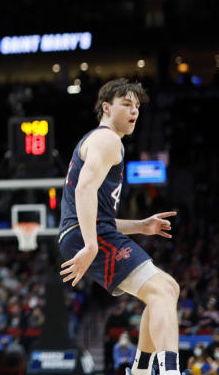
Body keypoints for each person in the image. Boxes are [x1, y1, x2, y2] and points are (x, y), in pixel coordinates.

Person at [58, 79, 186, 375]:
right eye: (126, 104)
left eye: (138, 107)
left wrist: (140, 225)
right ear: (106, 108)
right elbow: (84, 191)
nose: (134, 112)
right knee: (163, 291)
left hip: (86, 230)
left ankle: (141, 370)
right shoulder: (107, 140)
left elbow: (96, 213)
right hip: (86, 234)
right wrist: (91, 245)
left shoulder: (101, 142)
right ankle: (168, 371)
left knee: (165, 290)